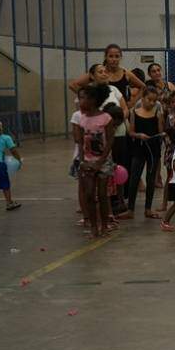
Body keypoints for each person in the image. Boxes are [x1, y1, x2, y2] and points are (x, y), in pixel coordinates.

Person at [76, 84, 117, 239]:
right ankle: (94, 226)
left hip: (103, 162)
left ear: (93, 100)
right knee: (89, 194)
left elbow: (110, 141)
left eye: (84, 98)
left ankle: (104, 225)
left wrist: (100, 161)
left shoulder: (106, 118)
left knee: (102, 194)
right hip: (87, 161)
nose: (81, 101)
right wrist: (82, 161)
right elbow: (80, 142)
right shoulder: (82, 119)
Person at [127, 87, 164, 219]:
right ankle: (130, 209)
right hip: (139, 147)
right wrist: (139, 135)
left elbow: (160, 132)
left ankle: (148, 208)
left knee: (151, 179)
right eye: (149, 100)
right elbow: (131, 132)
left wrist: (160, 124)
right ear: (142, 98)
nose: (152, 103)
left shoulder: (157, 113)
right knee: (134, 178)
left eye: (154, 101)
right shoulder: (134, 112)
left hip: (153, 149)